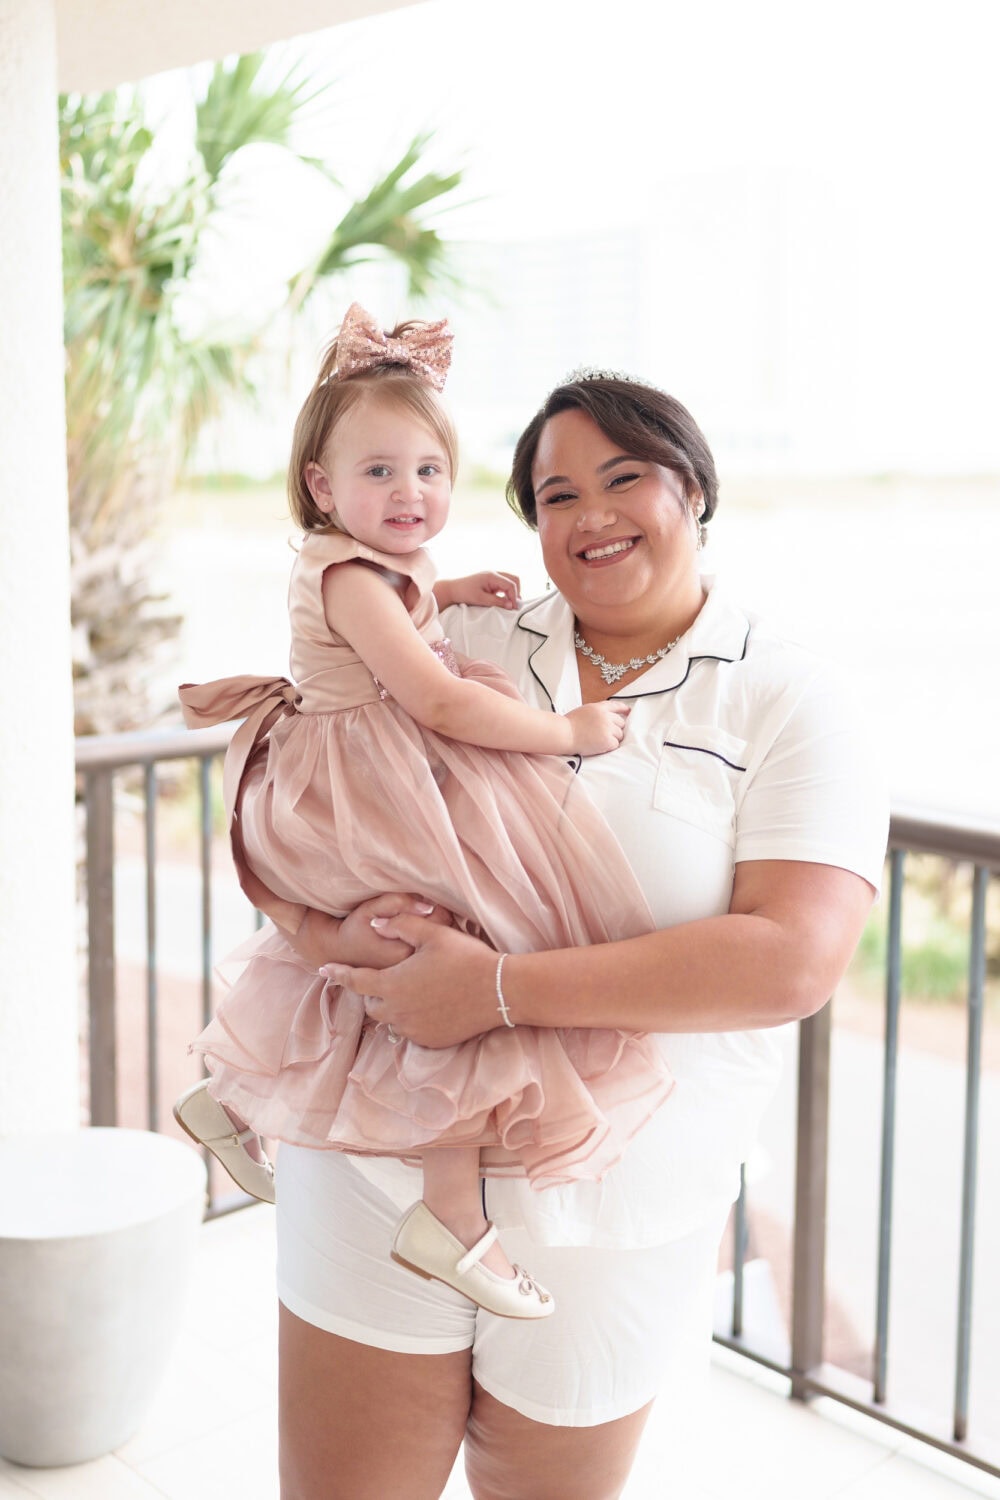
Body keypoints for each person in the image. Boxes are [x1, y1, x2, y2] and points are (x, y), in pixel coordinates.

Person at [258, 369, 888, 1500]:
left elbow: (790, 958)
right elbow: (299, 764)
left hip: (613, 1214)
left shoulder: (789, 698)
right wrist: (314, 925)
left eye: (623, 478)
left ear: (691, 489)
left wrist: (495, 988)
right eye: (554, 495)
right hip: (374, 1162)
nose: (589, 515)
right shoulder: (468, 632)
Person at [174, 304, 676, 1322]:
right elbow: (439, 700)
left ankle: (223, 1096)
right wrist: (571, 734)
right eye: (377, 473)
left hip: (356, 772)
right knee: (445, 943)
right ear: (321, 488)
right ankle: (449, 1215)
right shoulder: (349, 570)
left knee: (396, 950)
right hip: (351, 780)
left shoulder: (375, 567)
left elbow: (388, 614)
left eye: (428, 471)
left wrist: (442, 591)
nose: (408, 493)